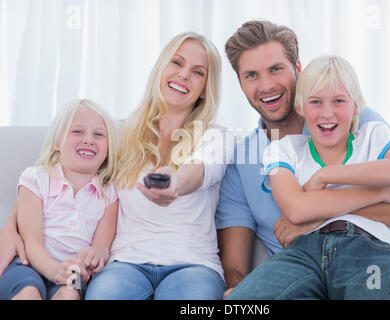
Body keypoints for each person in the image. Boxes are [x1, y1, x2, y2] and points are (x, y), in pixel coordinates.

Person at [215, 20, 390, 299]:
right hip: (302, 269)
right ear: (240, 83)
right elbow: (235, 265)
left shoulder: (356, 121)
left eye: (276, 69)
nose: (266, 85)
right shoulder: (245, 159)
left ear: (297, 70)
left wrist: (318, 219)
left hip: (368, 255)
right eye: (251, 75)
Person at [84, 32, 234, 300]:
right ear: (161, 68)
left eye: (198, 72)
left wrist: (176, 183)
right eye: (177, 63)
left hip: (194, 266)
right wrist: (13, 229)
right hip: (126, 264)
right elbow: (57, 174)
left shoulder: (216, 136)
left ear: (204, 89)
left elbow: (197, 170)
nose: (184, 75)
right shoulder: (117, 132)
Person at [0, 99, 119, 300]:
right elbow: (32, 242)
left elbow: (102, 246)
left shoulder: (109, 193)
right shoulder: (35, 178)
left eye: (98, 134)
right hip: (27, 263)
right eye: (77, 131)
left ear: (108, 148)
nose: (89, 139)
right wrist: (54, 271)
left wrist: (96, 255)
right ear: (57, 143)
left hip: (72, 273)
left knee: (70, 293)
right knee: (29, 293)